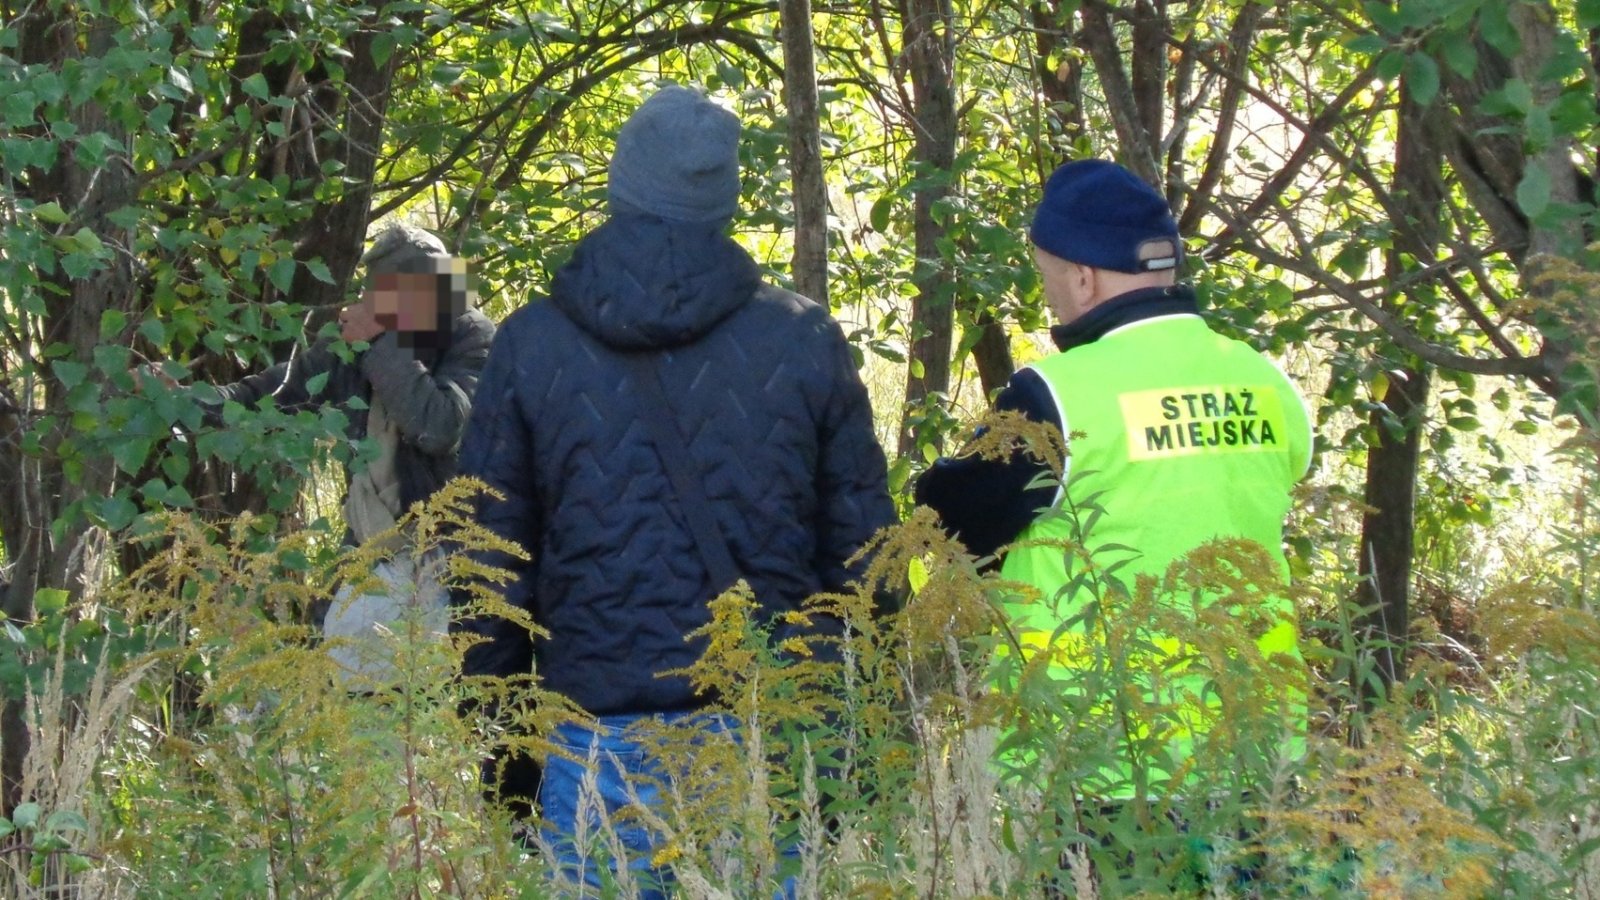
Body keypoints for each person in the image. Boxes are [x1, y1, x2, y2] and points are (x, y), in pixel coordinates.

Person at [453, 84, 896, 895]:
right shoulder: (803, 340)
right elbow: (869, 560)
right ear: (724, 198)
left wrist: (501, 757)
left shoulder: (531, 345)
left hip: (593, 736)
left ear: (620, 186)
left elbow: (486, 570)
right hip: (765, 733)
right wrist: (862, 741)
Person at [915, 159, 1313, 803]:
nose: (1048, 294)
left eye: (1046, 276)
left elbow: (953, 520)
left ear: (1081, 276)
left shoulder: (1057, 397)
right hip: (1257, 747)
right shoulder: (1265, 379)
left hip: (1099, 760)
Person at [161, 225, 496, 677]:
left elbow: (438, 426)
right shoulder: (357, 340)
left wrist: (379, 344)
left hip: (450, 551)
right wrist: (179, 400)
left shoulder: (471, 336)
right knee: (346, 680)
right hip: (371, 542)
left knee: (430, 693)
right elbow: (273, 393)